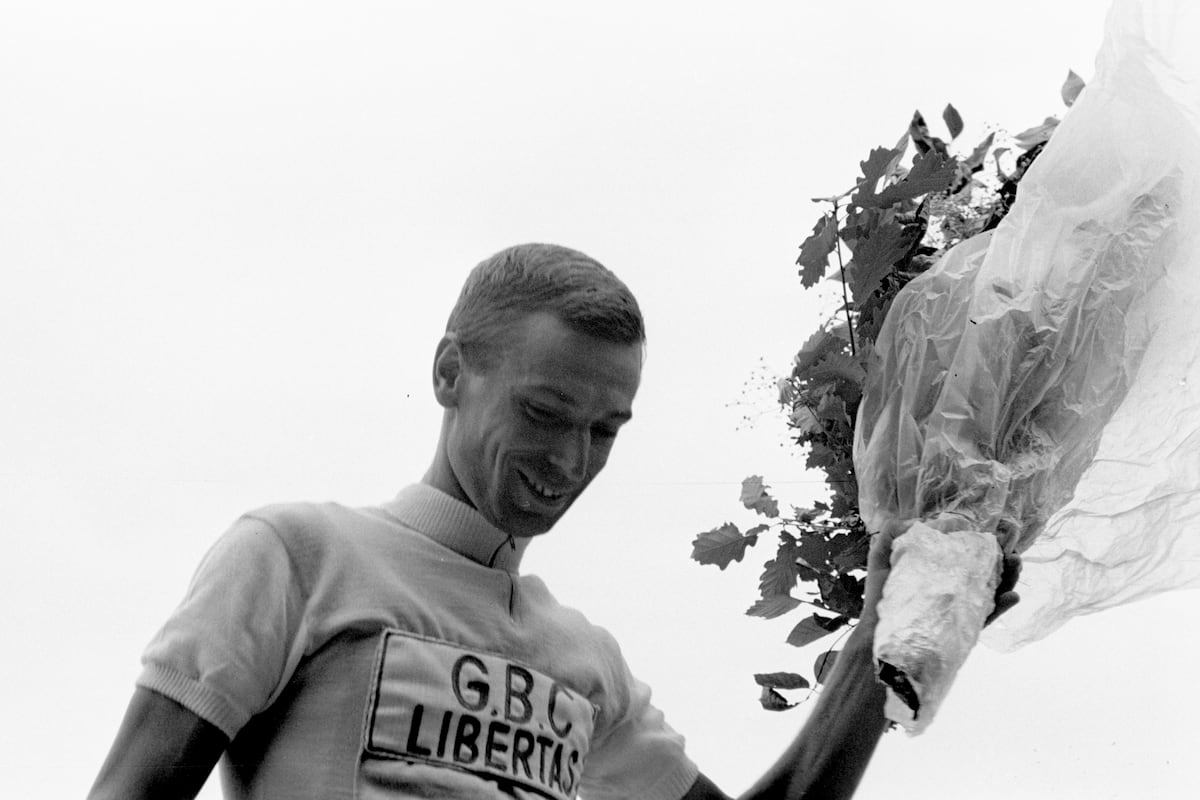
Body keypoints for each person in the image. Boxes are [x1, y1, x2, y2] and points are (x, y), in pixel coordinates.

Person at [88, 243, 1019, 800]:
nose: (570, 464)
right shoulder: (296, 554)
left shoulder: (587, 666)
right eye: (542, 414)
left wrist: (885, 630)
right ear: (451, 372)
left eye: (604, 429)